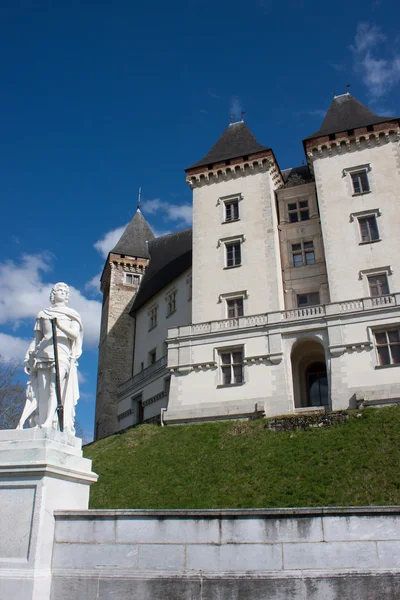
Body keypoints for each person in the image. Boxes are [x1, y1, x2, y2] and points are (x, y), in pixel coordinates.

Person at [16, 282, 83, 435]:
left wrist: (60, 326)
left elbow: (74, 335)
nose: (64, 294)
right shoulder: (43, 314)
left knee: (55, 388)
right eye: (60, 291)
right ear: (53, 294)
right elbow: (36, 339)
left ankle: (49, 422)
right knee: (41, 389)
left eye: (66, 292)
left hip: (62, 352)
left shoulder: (72, 314)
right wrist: (29, 354)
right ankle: (42, 420)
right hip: (43, 353)